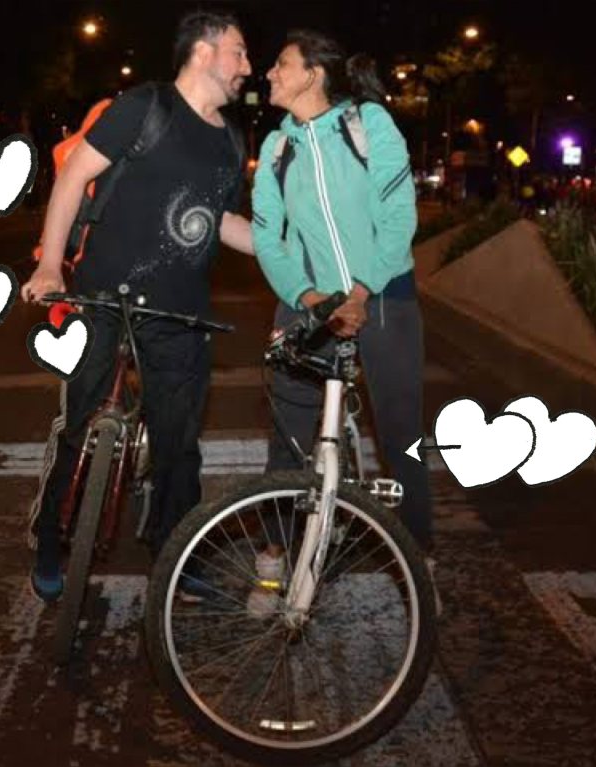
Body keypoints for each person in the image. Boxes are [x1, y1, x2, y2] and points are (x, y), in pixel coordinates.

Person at [20, 11, 255, 602]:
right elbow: (73, 179)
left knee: (179, 447)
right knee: (76, 424)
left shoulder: (231, 138)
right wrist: (50, 264)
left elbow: (222, 221)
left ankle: (176, 557)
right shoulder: (144, 107)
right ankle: (51, 537)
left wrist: (291, 256)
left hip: (181, 313)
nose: (247, 68)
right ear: (203, 52)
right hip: (103, 295)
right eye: (239, 52)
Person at [249, 30, 434, 616]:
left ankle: (420, 566)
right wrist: (309, 296)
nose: (270, 74)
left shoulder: (369, 124)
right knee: (287, 439)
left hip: (383, 299)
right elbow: (266, 237)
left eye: (282, 64)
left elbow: (399, 215)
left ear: (313, 74)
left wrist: (357, 293)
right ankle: (273, 564)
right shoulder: (277, 149)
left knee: (401, 438)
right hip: (307, 305)